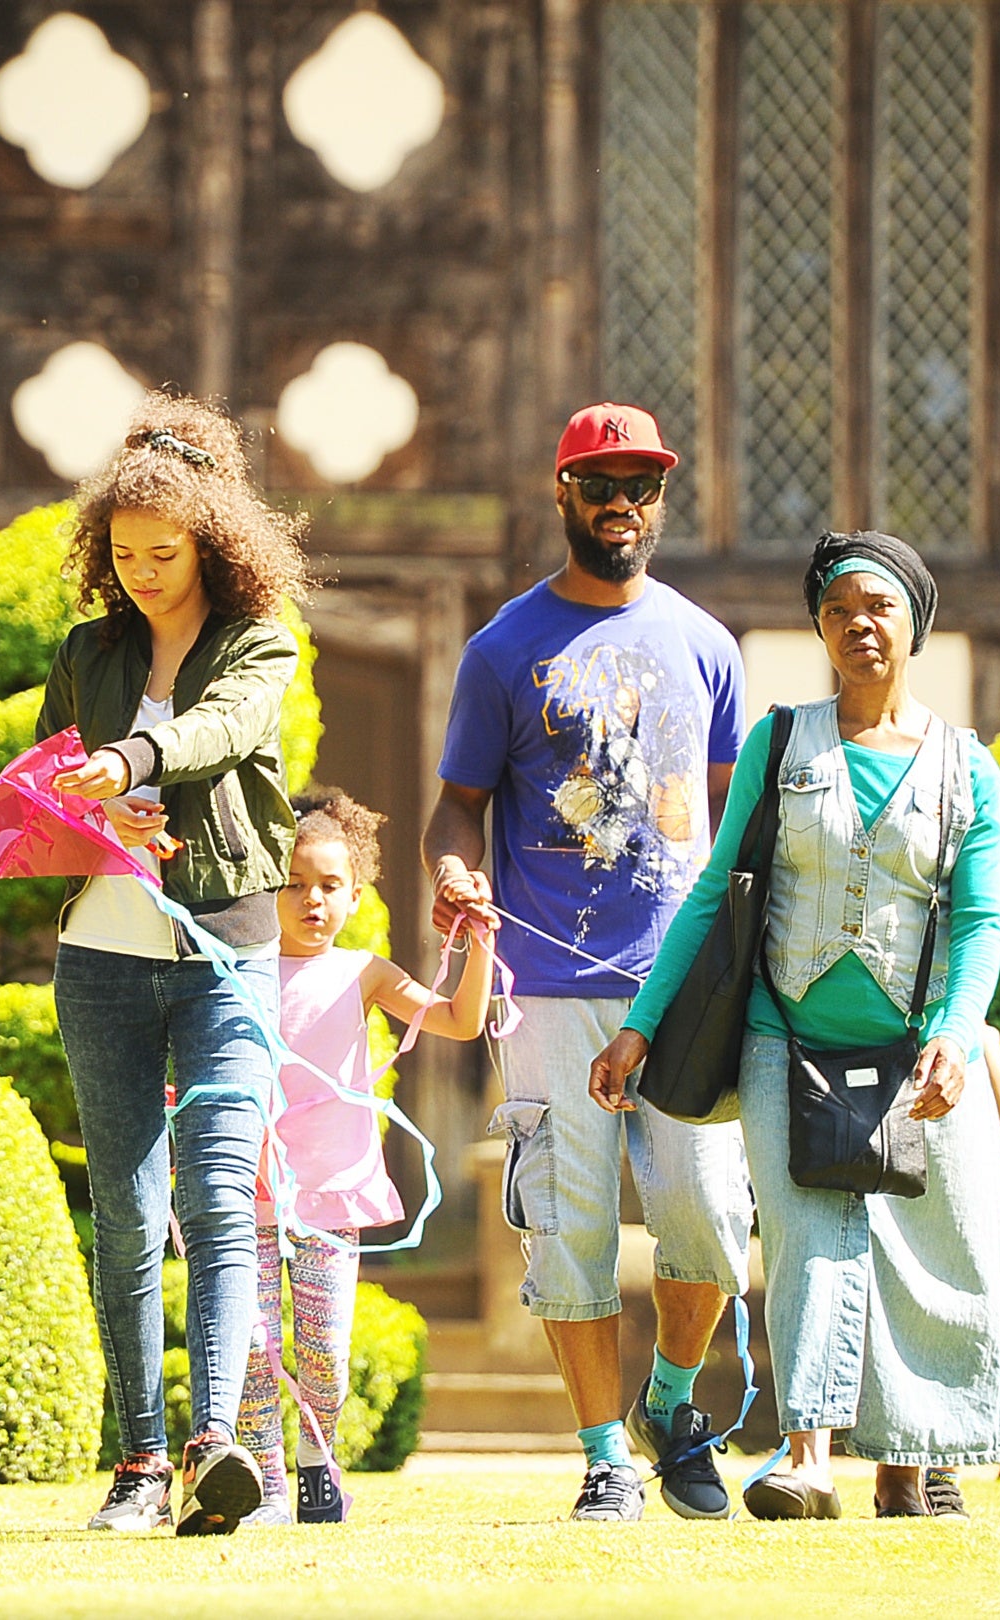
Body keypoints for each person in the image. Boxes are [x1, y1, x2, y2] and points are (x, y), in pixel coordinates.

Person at [595, 529, 1000, 1522]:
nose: (859, 627)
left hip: (914, 1045)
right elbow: (713, 895)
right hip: (784, 1034)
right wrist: (641, 1028)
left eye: (879, 607)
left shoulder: (970, 770)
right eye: (838, 612)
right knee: (808, 1242)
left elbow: (979, 920)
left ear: (915, 618)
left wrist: (956, 1036)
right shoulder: (781, 744)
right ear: (821, 628)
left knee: (926, 1242)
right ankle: (806, 1456)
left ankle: (913, 1463)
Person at [423, 402, 757, 1522]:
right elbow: (454, 810)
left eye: (644, 487)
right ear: (561, 493)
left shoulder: (707, 645)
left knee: (708, 1217)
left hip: (683, 988)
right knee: (568, 1230)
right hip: (549, 987)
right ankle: (604, 1454)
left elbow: (726, 822)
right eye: (601, 485)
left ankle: (672, 1404)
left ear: (662, 501)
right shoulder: (503, 648)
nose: (624, 504)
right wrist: (457, 876)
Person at [41, 392, 314, 1536]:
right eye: (122, 551)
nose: (142, 572)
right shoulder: (85, 652)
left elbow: (225, 730)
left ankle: (216, 1448)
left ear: (213, 540)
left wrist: (136, 758)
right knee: (124, 1209)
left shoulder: (261, 642)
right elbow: (48, 786)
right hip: (100, 954)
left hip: (224, 953)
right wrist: (85, 809)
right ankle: (139, 1464)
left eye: (164, 551)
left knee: (215, 1200)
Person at [237, 791, 497, 1526]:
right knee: (253, 1344)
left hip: (331, 1193)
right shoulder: (239, 967)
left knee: (322, 1347)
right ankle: (262, 1479)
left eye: (329, 886)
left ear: (356, 894)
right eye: (293, 883)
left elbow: (459, 1019)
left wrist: (480, 945)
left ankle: (318, 1458)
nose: (311, 900)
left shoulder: (365, 973)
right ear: (267, 886)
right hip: (247, 1192)